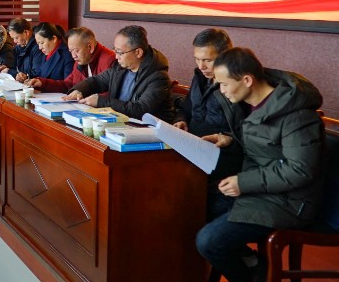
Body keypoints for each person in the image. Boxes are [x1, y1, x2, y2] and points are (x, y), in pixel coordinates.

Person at [196, 47, 325, 282]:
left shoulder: (296, 116)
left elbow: (300, 169)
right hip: (261, 190)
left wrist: (243, 182)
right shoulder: (253, 103)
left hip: (290, 201)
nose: (221, 90)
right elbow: (265, 146)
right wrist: (229, 139)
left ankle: (255, 272)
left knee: (209, 241)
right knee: (190, 207)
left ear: (247, 80)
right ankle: (255, 264)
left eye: (224, 84)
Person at [173, 29, 244, 219]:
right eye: (197, 59)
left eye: (207, 60)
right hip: (190, 146)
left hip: (220, 156)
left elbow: (245, 132)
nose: (201, 66)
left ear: (225, 56)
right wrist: (180, 120)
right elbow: (186, 108)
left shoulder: (236, 86)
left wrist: (227, 139)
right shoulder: (199, 77)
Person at [67, 25, 176, 123]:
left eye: (120, 52)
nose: (116, 57)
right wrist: (79, 90)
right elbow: (97, 81)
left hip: (149, 130)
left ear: (138, 52)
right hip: (121, 124)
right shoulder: (119, 68)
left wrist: (101, 102)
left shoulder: (158, 77)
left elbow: (141, 110)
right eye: (115, 51)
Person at [26, 26, 115, 93]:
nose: (73, 56)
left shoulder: (110, 60)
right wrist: (42, 83)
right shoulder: (80, 59)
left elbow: (110, 94)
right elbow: (68, 84)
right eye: (71, 51)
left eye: (76, 51)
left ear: (90, 47)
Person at [0, 18, 43, 82]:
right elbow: (15, 68)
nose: (15, 41)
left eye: (16, 37)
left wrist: (10, 71)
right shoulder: (17, 48)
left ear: (26, 32)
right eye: (13, 38)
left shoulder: (38, 48)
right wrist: (5, 67)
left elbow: (36, 73)